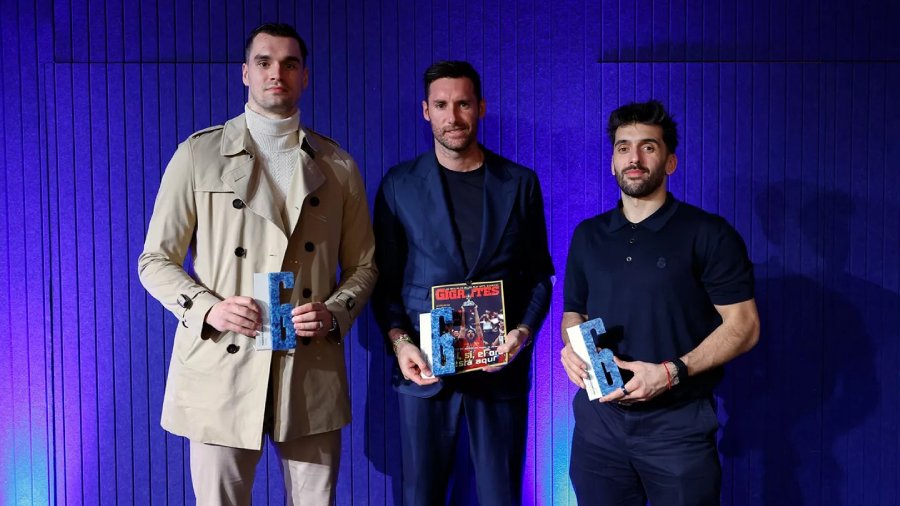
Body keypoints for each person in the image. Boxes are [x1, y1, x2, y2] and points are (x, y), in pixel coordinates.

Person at [138, 22, 377, 506]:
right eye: (264, 62)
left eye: (290, 64)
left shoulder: (338, 166)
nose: (276, 74)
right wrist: (209, 308)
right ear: (245, 72)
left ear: (304, 76)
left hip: (309, 366)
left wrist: (335, 312)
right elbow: (154, 260)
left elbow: (364, 266)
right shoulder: (198, 154)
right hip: (222, 362)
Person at [560, 100, 760, 505]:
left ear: (670, 162)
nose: (634, 158)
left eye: (648, 147)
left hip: (678, 427)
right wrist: (572, 349)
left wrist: (671, 373)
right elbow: (573, 312)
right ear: (612, 162)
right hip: (599, 426)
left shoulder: (708, 234)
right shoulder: (588, 235)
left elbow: (745, 325)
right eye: (623, 147)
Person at [372, 60, 554, 505]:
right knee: (421, 496)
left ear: (481, 107)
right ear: (425, 111)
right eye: (441, 105)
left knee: (500, 496)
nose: (452, 117)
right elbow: (384, 282)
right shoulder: (398, 185)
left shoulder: (520, 183)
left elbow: (540, 276)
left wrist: (522, 333)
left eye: (463, 104)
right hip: (424, 372)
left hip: (499, 373)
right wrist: (400, 343)